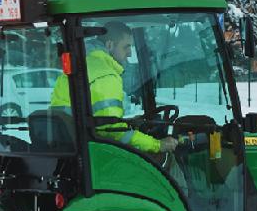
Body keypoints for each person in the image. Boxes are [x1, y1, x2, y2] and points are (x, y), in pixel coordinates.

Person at [49, 21, 177, 155]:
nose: (129, 54)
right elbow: (113, 130)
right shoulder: (106, 75)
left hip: (72, 149)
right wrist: (157, 145)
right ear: (110, 45)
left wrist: (129, 123)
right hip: (95, 155)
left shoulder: (80, 67)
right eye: (126, 47)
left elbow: (97, 119)